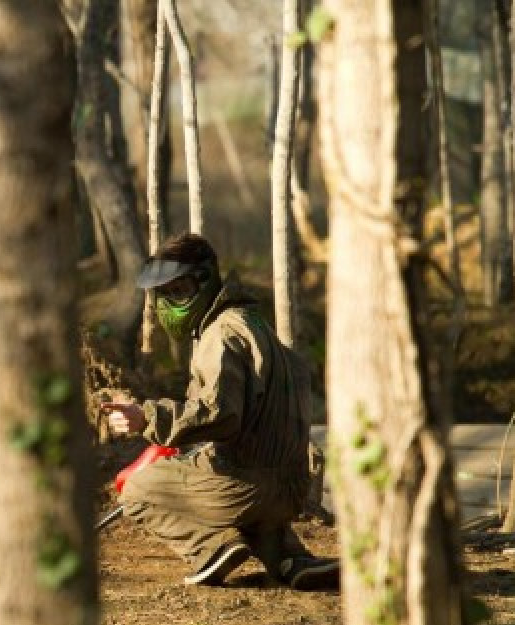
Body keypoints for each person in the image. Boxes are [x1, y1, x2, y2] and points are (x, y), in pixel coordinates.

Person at [102, 233, 338, 590]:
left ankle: (213, 548)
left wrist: (146, 417)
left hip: (249, 486)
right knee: (232, 488)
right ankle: (289, 559)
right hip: (292, 487)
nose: (171, 303)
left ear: (206, 280)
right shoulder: (255, 324)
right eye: (165, 294)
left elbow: (221, 416)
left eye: (180, 291)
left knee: (136, 487)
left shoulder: (221, 334)